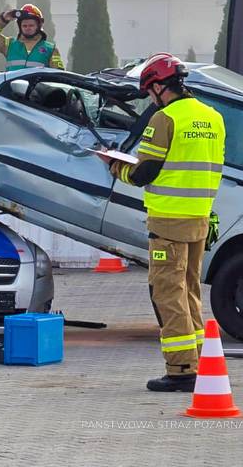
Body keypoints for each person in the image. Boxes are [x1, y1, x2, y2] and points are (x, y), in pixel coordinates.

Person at [101, 53, 225, 392]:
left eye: (149, 92)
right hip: (199, 218)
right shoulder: (212, 117)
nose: (149, 99)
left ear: (158, 86)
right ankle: (198, 358)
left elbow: (144, 172)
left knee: (167, 293)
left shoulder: (164, 119)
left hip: (168, 221)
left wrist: (113, 165)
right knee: (189, 291)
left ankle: (181, 368)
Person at [0, 4, 64, 71]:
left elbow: (59, 75)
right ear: (20, 27)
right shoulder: (9, 45)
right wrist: (3, 18)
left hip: (37, 89)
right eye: (24, 26)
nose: (28, 28)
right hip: (11, 88)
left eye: (31, 25)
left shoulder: (51, 49)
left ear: (39, 26)